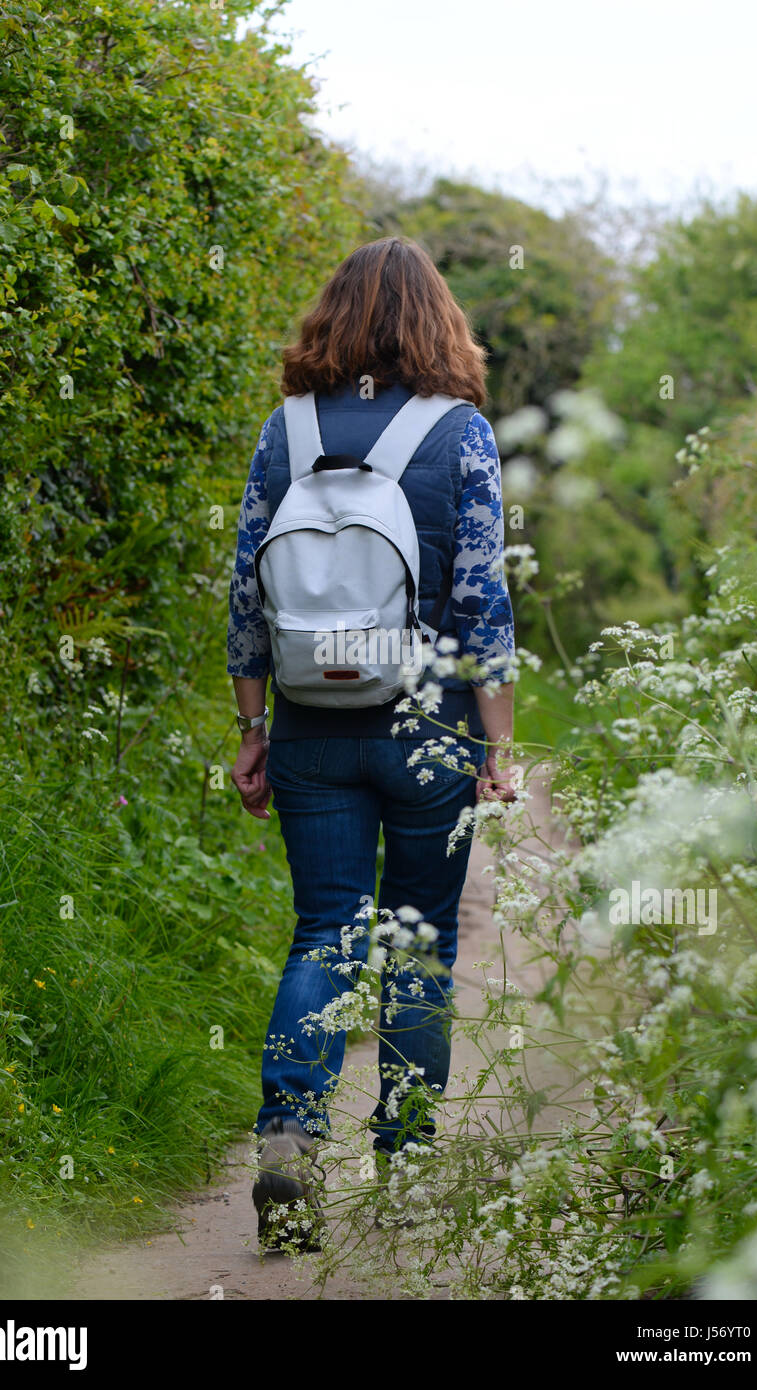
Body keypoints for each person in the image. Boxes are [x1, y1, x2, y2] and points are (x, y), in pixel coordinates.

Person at [226, 235, 517, 1250]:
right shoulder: (461, 433)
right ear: (436, 321)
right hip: (427, 724)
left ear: (330, 319)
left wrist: (253, 727)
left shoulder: (286, 430)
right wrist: (496, 745)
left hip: (310, 723)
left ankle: (290, 1141)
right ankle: (403, 1168)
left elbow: (245, 597)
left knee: (326, 931)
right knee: (419, 942)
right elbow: (484, 599)